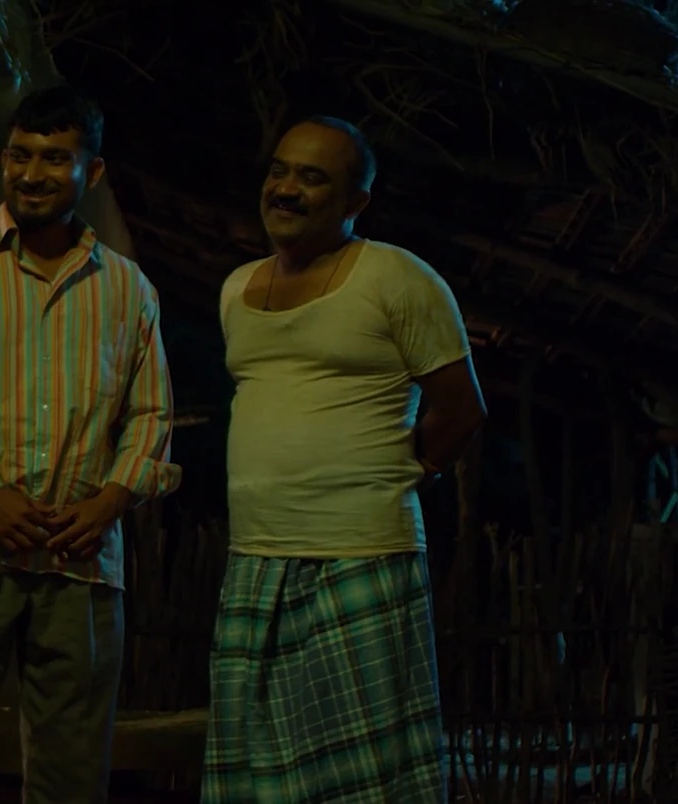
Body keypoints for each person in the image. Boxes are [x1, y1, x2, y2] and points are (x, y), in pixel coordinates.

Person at [0, 85, 180, 804]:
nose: (31, 174)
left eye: (54, 158)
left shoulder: (128, 289)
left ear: (93, 171)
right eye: (20, 155)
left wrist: (108, 502)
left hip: (82, 560)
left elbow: (151, 414)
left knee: (72, 768)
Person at [204, 116, 486, 803]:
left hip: (361, 554)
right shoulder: (236, 289)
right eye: (279, 171)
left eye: (312, 178)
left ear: (356, 201)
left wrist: (410, 473)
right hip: (257, 558)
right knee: (259, 769)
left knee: (365, 778)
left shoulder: (395, 277)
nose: (286, 189)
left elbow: (460, 409)